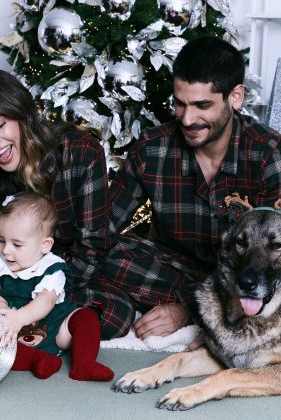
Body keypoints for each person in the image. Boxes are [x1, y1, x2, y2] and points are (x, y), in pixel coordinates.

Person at [107, 35, 281, 339]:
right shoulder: (151, 149)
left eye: (202, 105)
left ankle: (193, 309)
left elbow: (272, 263)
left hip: (245, 277)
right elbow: (101, 227)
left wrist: (186, 309)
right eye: (180, 104)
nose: (188, 119)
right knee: (101, 252)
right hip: (172, 272)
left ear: (235, 97)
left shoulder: (268, 155)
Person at [0, 68, 133, 339]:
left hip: (66, 275)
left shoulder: (79, 153)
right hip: (3, 279)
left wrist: (33, 299)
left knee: (113, 314)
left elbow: (91, 251)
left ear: (22, 115)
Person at [0, 191, 113, 381]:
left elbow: (45, 301)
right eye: (1, 240)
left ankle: (84, 363)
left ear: (45, 245)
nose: (6, 250)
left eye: (17, 244)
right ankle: (35, 360)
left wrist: (20, 317)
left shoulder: (51, 268)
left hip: (56, 329)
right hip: (10, 334)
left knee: (86, 317)